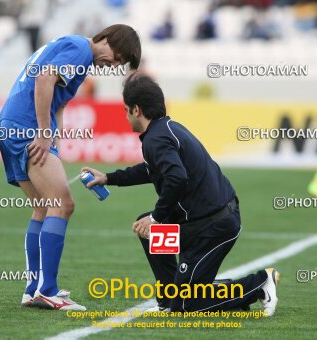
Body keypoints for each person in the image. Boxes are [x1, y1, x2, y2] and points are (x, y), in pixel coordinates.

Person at [83, 75, 280, 314]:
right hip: (204, 220)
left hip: (213, 227)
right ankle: (169, 298)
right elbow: (153, 170)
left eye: (126, 110)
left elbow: (177, 178)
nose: (125, 116)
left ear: (137, 109)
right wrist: (109, 178)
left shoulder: (156, 138)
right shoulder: (165, 129)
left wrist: (156, 217)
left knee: (187, 303)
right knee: (151, 236)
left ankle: (259, 283)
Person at [0, 24, 141, 311]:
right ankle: (47, 290)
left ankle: (34, 288)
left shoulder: (75, 51)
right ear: (107, 40)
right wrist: (42, 133)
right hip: (25, 127)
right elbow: (44, 80)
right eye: (117, 57)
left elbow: (56, 103)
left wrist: (53, 145)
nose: (113, 65)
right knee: (63, 204)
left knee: (43, 206)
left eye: (120, 64)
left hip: (11, 126)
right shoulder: (79, 49)